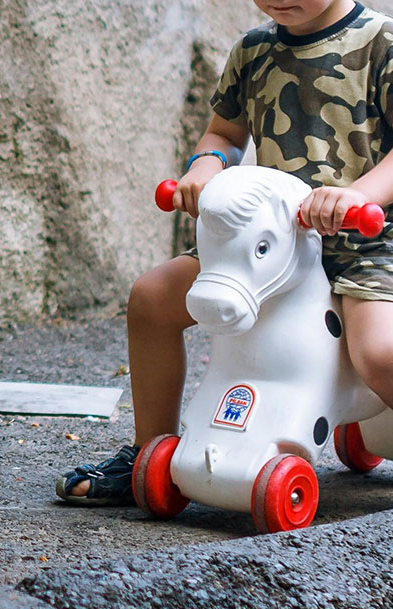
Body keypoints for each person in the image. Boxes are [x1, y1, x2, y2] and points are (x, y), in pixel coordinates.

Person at [57, 0, 393, 505]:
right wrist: (206, 166)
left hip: (363, 237)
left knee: (377, 353)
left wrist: (358, 195)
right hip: (267, 239)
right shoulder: (254, 50)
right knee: (152, 298)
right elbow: (225, 132)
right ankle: (148, 450)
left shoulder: (382, 44)